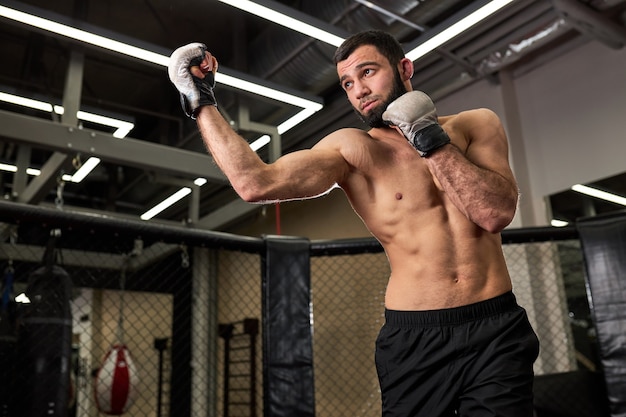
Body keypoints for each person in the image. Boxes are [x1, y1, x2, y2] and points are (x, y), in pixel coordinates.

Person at [168, 30, 539, 417]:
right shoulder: (353, 149)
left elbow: (493, 213)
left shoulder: (474, 125)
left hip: (495, 329)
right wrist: (201, 102)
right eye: (348, 82)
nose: (359, 89)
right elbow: (255, 183)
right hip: (416, 337)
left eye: (368, 72)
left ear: (404, 68)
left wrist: (429, 139)